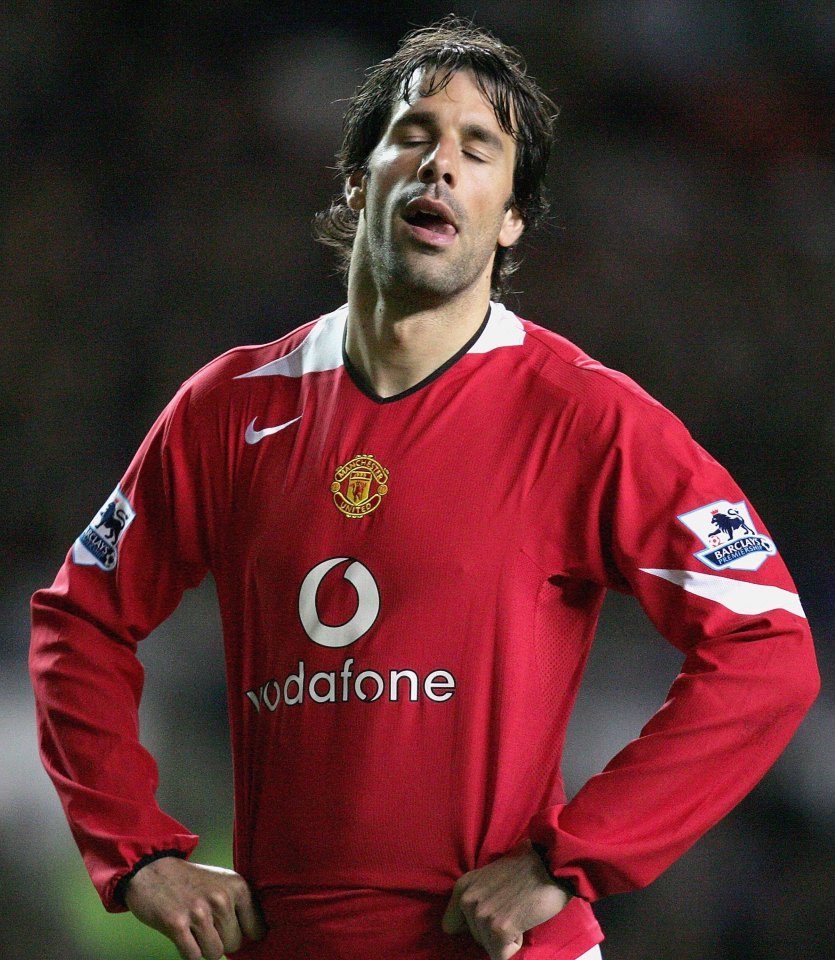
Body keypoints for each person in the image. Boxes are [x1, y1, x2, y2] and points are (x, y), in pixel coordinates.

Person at [30, 17, 819, 960]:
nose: (440, 163)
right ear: (359, 180)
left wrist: (573, 861)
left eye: (479, 149)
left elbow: (767, 646)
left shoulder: (585, 417)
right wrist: (137, 852)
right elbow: (79, 622)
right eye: (414, 134)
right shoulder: (226, 409)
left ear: (512, 215)